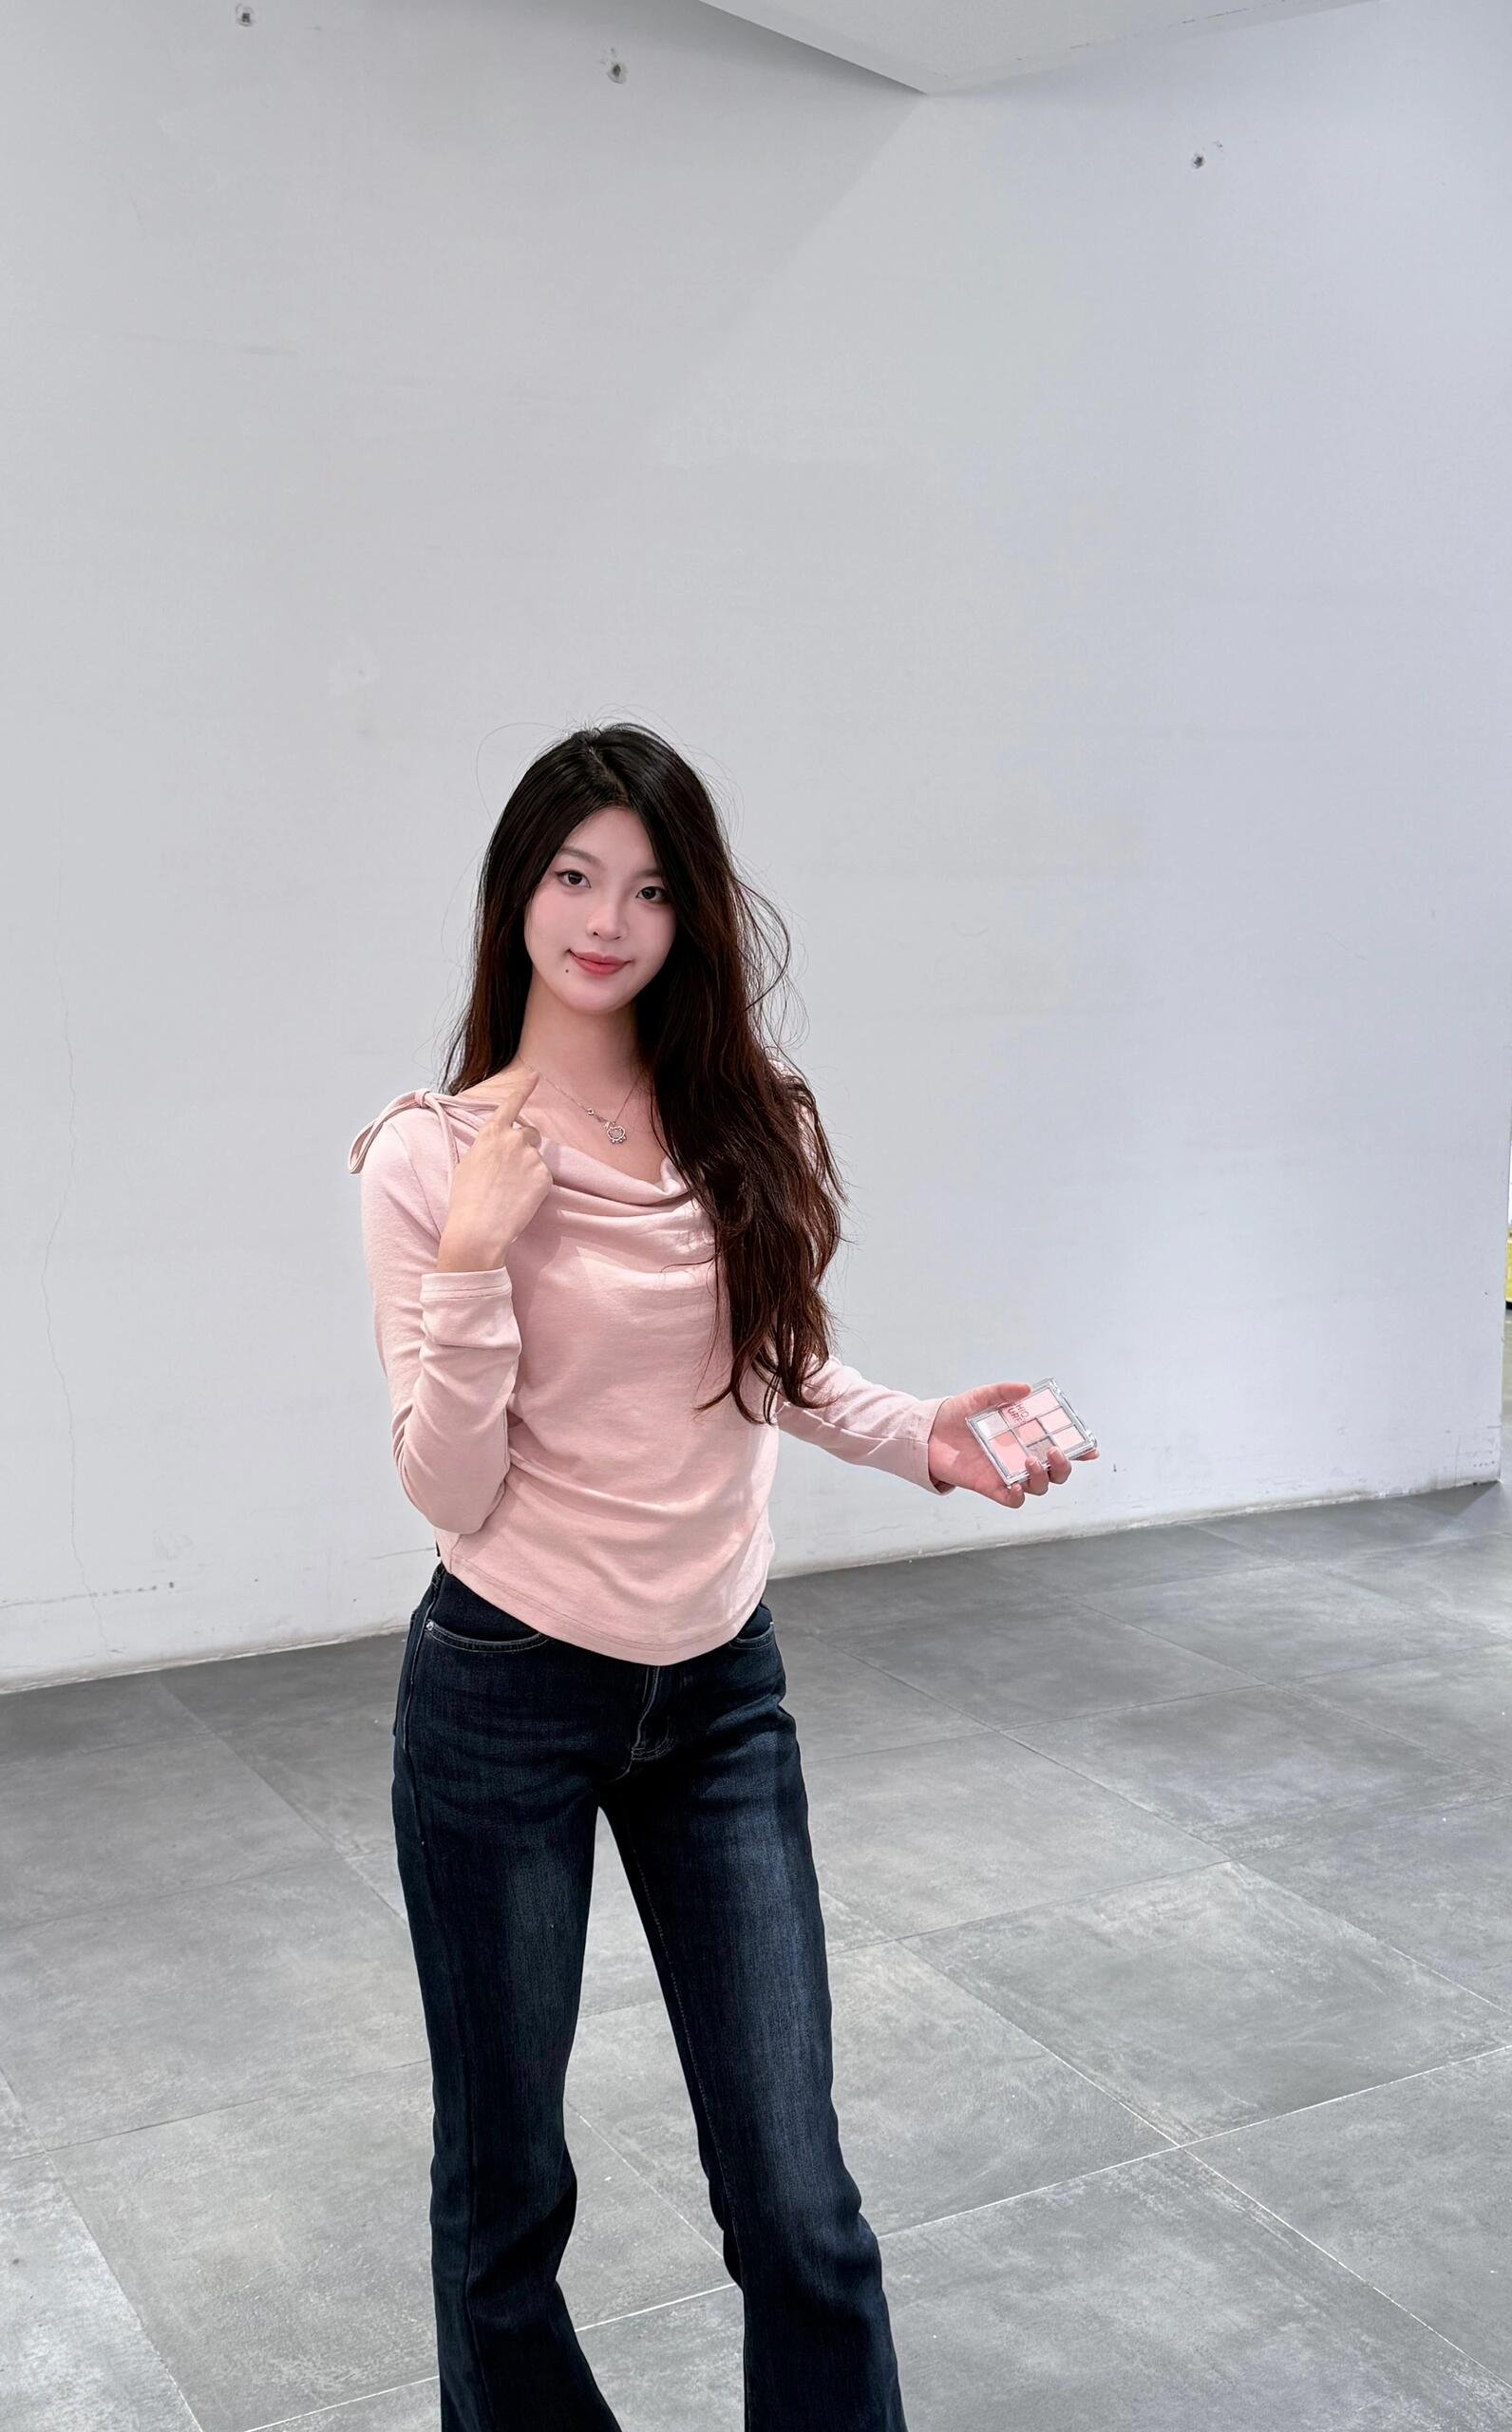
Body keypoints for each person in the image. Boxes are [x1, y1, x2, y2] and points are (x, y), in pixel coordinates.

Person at [347, 723, 1090, 2432]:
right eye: (573, 876)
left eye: (651, 889)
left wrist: (926, 1434)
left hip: (721, 1696)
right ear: (516, 894)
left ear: (692, 917)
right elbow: (445, 1486)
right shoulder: (429, 1156)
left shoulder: (735, 1118)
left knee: (797, 2198)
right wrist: (475, 1257)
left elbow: (778, 1366)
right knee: (505, 2193)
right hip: (506, 1691)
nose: (606, 921)